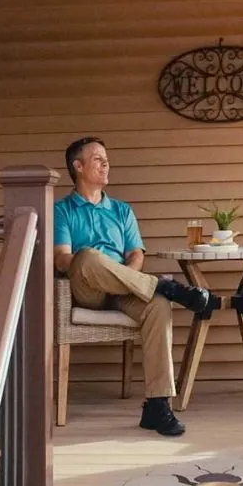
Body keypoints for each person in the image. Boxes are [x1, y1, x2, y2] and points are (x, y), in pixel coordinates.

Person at [53, 137, 220, 437]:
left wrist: (125, 280)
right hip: (87, 290)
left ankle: (157, 405)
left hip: (125, 288)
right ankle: (168, 287)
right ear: (77, 167)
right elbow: (63, 260)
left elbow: (136, 255)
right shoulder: (62, 210)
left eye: (106, 158)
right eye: (97, 159)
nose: (106, 164)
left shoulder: (121, 210)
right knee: (87, 256)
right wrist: (96, 266)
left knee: (157, 305)